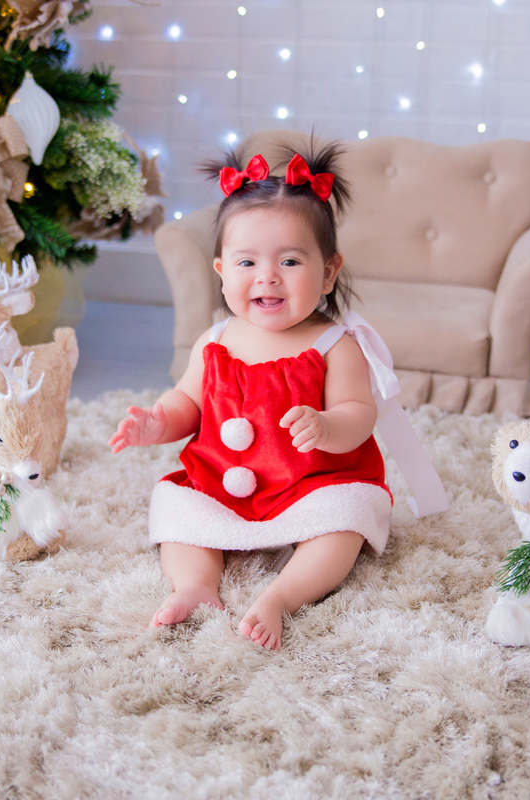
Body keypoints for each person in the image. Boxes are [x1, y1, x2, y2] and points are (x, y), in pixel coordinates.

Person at [109, 142, 407, 651]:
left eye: (290, 260)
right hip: (224, 480)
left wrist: (329, 425)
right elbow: (189, 403)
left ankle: (281, 596)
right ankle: (197, 585)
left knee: (347, 523)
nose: (267, 276)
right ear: (222, 271)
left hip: (312, 482)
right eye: (247, 261)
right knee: (177, 510)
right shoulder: (216, 340)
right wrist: (158, 424)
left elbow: (361, 412)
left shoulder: (335, 345)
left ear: (329, 272)